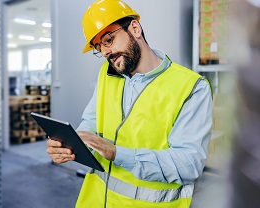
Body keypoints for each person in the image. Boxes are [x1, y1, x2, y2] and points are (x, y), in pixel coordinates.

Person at [46, 0, 213, 207]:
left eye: (109, 40)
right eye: (99, 47)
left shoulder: (192, 87)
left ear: (134, 28)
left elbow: (188, 165)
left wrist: (117, 153)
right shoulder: (107, 75)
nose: (105, 52)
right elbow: (91, 121)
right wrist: (73, 145)